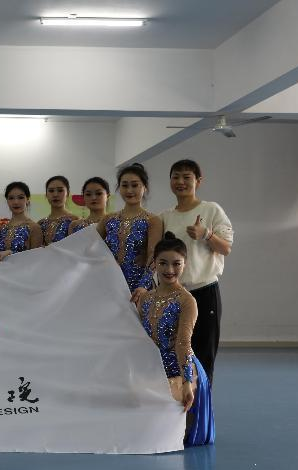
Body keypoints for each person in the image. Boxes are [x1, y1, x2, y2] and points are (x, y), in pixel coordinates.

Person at [159, 159, 233, 386]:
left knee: (203, 358)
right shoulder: (165, 217)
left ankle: (201, 406)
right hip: (173, 295)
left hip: (204, 292)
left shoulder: (211, 209)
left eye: (187, 177)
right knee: (173, 358)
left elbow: (226, 248)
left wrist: (206, 234)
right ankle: (178, 405)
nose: (180, 182)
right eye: (176, 177)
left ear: (198, 181)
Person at [137, 232, 215, 446]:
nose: (169, 270)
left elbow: (183, 343)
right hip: (155, 367)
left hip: (182, 369)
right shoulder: (145, 298)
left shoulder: (187, 301)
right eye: (163, 263)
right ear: (154, 263)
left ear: (185, 265)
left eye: (176, 264)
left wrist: (187, 383)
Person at [97, 163, 162, 300]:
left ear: (144, 187)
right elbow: (91, 248)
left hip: (140, 289)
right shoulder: (108, 219)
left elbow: (153, 257)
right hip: (110, 285)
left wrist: (143, 286)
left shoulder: (153, 220)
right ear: (119, 188)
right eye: (125, 185)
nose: (129, 190)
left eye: (135, 185)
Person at [0, 182, 43, 261]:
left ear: (27, 200)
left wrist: (11, 253)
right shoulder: (2, 229)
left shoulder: (34, 228)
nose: (16, 202)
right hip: (0, 268)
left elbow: (36, 260)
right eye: (11, 198)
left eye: (20, 197)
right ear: (7, 201)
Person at [39, 175, 78, 244]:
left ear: (68, 193)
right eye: (51, 191)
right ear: (46, 195)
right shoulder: (40, 224)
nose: (55, 194)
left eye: (60, 190)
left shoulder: (75, 221)